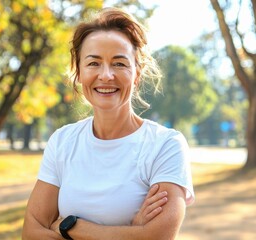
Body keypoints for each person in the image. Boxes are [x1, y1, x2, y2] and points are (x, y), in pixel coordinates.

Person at [22, 7, 194, 240]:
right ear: (79, 72)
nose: (106, 75)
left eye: (119, 64)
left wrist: (69, 228)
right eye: (93, 63)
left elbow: (157, 237)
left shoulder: (165, 145)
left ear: (137, 74)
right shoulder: (62, 141)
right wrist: (132, 232)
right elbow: (31, 232)